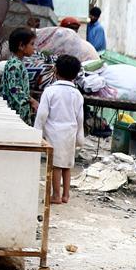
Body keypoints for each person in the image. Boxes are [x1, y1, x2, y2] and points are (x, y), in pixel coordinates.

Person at [34, 55, 84, 205]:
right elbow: (80, 118)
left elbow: (42, 114)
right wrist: (79, 137)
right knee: (67, 166)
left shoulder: (50, 91)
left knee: (55, 166)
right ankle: (65, 195)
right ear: (75, 74)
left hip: (54, 134)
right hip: (70, 133)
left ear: (55, 70)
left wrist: (36, 133)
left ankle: (55, 195)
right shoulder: (77, 94)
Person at [0, 27, 39, 124]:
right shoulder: (14, 65)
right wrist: (31, 100)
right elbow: (14, 89)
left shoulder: (18, 63)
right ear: (21, 46)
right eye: (32, 44)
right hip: (14, 114)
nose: (34, 48)